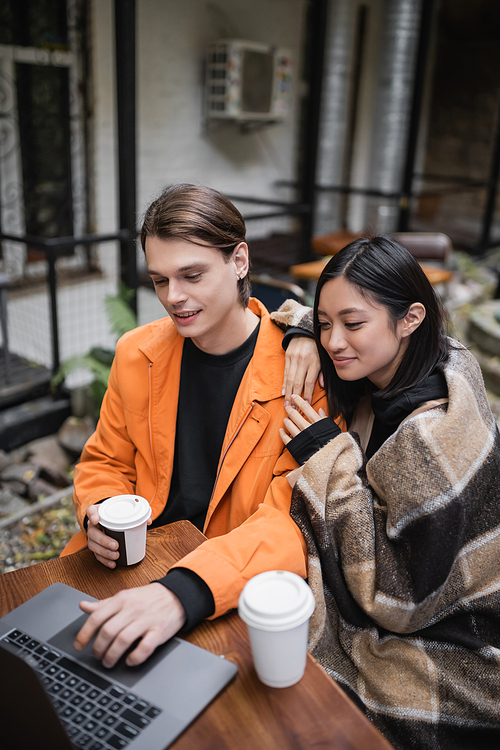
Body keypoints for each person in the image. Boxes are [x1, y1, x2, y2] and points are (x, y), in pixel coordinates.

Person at [65, 183, 327, 669]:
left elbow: (293, 521)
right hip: (123, 566)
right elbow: (104, 460)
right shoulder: (135, 353)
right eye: (160, 280)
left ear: (240, 262)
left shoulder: (302, 372)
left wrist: (183, 592)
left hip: (222, 588)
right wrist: (98, 510)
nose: (175, 297)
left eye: (192, 275)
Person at [276, 236, 500, 750]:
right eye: (326, 321)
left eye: (353, 324)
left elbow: (403, 599)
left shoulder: (429, 433)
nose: (335, 342)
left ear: (411, 318)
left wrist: (327, 456)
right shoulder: (427, 356)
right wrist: (304, 332)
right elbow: (277, 313)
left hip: (458, 632)